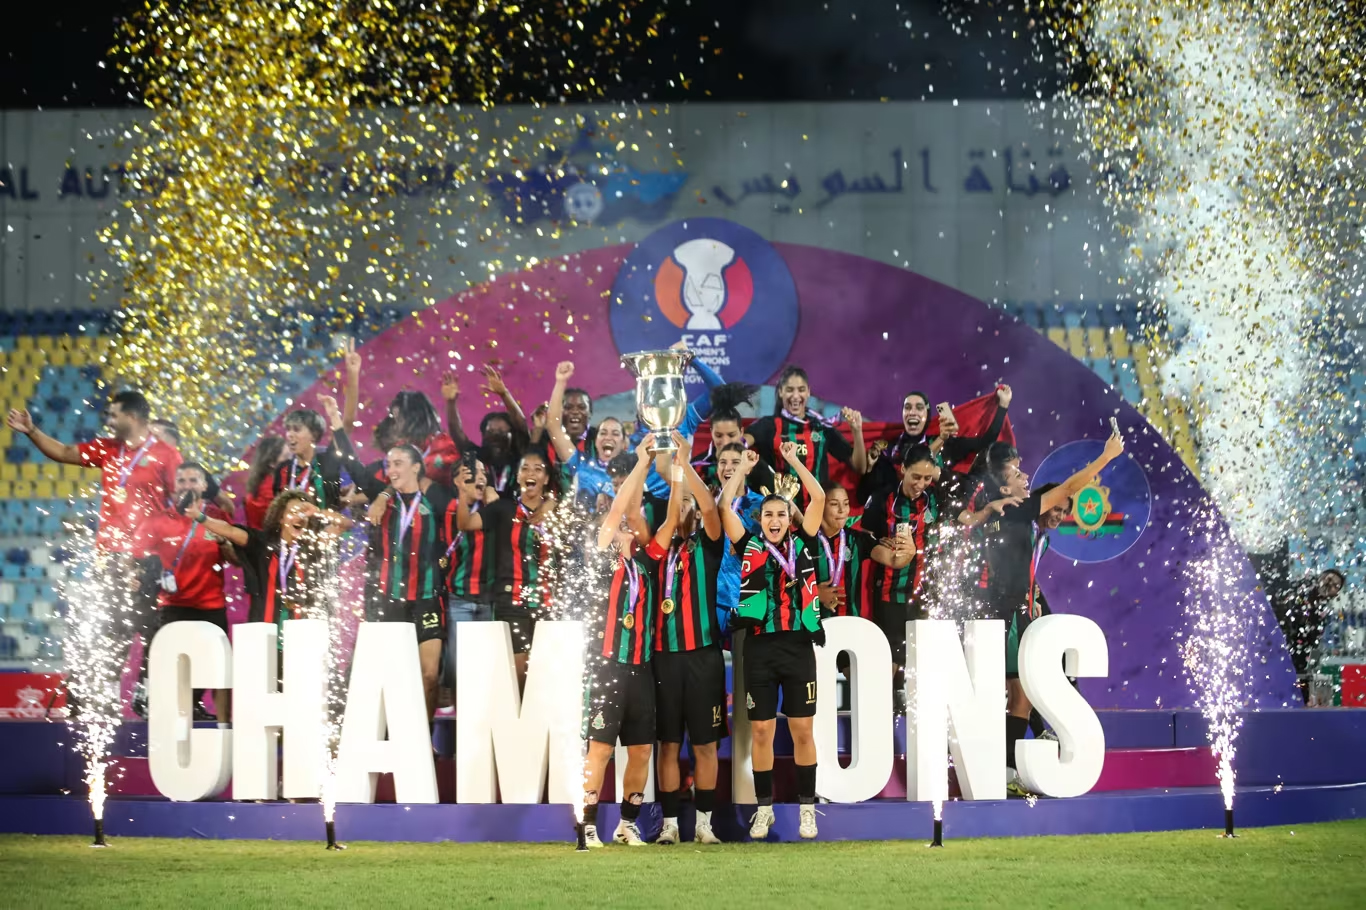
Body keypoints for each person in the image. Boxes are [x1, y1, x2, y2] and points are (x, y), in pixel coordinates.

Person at [958, 431, 1125, 796]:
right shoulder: (1016, 510)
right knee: (1015, 692)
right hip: (1003, 613)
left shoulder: (998, 513)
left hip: (1001, 609)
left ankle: (1005, 769)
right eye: (1017, 474)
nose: (1025, 477)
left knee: (1018, 693)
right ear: (1005, 489)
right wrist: (1106, 457)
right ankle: (1001, 770)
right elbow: (1068, 488)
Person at [8, 390, 180, 709]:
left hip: (148, 559)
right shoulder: (108, 448)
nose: (108, 421)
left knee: (151, 629)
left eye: (114, 415)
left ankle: (147, 696)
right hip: (109, 558)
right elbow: (64, 452)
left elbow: (178, 507)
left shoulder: (167, 455)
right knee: (108, 628)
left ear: (133, 417)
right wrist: (31, 430)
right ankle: (103, 698)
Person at [580, 433, 681, 848]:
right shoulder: (602, 555)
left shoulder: (648, 562)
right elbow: (620, 509)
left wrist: (678, 469)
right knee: (600, 750)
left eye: (630, 523)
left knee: (641, 751)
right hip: (607, 666)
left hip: (641, 668)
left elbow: (671, 522)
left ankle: (627, 824)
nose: (625, 523)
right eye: (620, 521)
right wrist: (642, 462)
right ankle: (587, 825)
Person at [721, 443, 826, 840]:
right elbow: (723, 507)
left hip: (798, 646)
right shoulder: (749, 545)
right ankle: (763, 809)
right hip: (759, 648)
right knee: (762, 731)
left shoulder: (805, 541)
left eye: (781, 514)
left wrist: (794, 461)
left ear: (789, 518)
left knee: (802, 730)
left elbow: (818, 497)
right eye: (768, 515)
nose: (775, 520)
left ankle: (807, 810)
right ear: (760, 519)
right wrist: (742, 470)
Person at [347, 432, 457, 723]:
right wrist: (336, 425)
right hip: (391, 600)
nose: (391, 470)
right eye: (388, 464)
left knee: (429, 675)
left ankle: (425, 735)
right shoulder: (383, 500)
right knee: (392, 675)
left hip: (427, 599)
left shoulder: (436, 499)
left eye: (398, 464)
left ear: (416, 467)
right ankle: (392, 734)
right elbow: (355, 468)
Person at [652, 452, 727, 846]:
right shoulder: (657, 550)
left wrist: (684, 465)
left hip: (703, 656)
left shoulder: (708, 545)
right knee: (667, 744)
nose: (682, 507)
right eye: (675, 501)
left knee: (705, 744)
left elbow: (711, 508)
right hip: (664, 658)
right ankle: (668, 824)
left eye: (687, 502)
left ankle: (704, 824)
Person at [131, 462, 233, 722]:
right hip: (173, 605)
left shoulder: (217, 518)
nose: (187, 485)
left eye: (193, 480)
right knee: (171, 664)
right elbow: (134, 555)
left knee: (213, 666)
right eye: (182, 480)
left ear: (204, 485)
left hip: (211, 606)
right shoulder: (157, 520)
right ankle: (158, 708)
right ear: (174, 486)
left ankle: (203, 712)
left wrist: (224, 541)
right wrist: (133, 574)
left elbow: (235, 558)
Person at [454, 449, 557, 688]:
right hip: (511, 602)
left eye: (538, 469)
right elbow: (465, 523)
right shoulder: (503, 509)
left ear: (546, 479)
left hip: (546, 603)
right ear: (518, 477)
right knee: (518, 673)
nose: (531, 473)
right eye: (525, 469)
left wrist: (553, 503)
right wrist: (462, 492)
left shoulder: (556, 513)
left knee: (542, 675)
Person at [858, 445, 949, 693]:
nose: (921, 484)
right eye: (916, 476)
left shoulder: (936, 498)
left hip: (927, 593)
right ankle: (883, 710)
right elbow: (863, 536)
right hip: (890, 592)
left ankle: (917, 712)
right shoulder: (882, 498)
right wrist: (879, 542)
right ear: (903, 469)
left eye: (927, 478)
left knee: (923, 662)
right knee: (890, 659)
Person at [860, 386, 1013, 503]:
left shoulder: (946, 445)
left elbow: (985, 443)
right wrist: (869, 469)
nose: (912, 412)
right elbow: (865, 495)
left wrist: (1003, 406)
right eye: (908, 407)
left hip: (932, 526)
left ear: (927, 414)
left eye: (919, 408)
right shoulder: (889, 449)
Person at [744, 365, 867, 509]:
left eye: (801, 390)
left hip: (818, 514)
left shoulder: (821, 427)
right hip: (782, 513)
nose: (796, 396)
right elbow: (740, 444)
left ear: (808, 392)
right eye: (790, 390)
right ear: (781, 392)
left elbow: (859, 467)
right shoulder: (768, 425)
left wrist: (857, 431)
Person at [441, 457, 501, 693]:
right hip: (459, 598)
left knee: (486, 669)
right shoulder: (448, 511)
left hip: (489, 599)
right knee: (460, 668)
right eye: (473, 473)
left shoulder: (493, 508)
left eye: (483, 473)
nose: (481, 477)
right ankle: (458, 713)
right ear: (458, 480)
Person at [815, 481, 909, 623]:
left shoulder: (857, 539)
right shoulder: (805, 541)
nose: (842, 510)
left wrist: (910, 548)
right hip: (813, 627)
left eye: (846, 504)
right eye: (834, 504)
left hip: (851, 624)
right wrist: (816, 594)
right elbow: (787, 584)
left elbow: (894, 560)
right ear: (820, 506)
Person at [441, 364, 529, 499]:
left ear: (512, 436)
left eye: (501, 431)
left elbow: (521, 423)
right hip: (482, 511)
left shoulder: (521, 456)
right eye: (491, 431)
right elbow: (456, 431)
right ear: (483, 435)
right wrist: (451, 402)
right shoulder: (475, 457)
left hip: (516, 509)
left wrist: (504, 394)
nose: (496, 435)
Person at [546, 362, 623, 510]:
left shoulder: (631, 470)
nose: (608, 437)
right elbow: (553, 426)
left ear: (624, 443)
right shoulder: (582, 464)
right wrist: (561, 382)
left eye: (615, 433)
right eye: (603, 433)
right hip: (585, 524)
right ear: (596, 439)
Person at [272, 407, 348, 511]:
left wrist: (334, 413)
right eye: (288, 429)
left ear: (314, 435)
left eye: (296, 429)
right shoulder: (282, 469)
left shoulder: (327, 462)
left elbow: (345, 427)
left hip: (325, 520)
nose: (290, 435)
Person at [244, 437, 287, 529]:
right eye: (286, 457)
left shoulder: (259, 483)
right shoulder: (270, 490)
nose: (293, 461)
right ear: (272, 463)